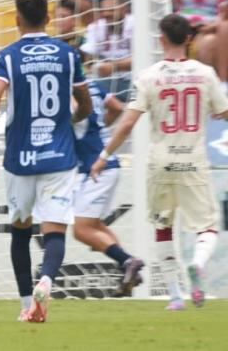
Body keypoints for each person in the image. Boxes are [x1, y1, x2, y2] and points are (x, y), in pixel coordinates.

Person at [91, 13, 228, 311]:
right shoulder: (205, 74)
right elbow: (225, 111)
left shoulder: (150, 75)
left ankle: (176, 296)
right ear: (189, 39)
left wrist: (104, 156)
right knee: (208, 226)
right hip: (193, 160)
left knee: (162, 228)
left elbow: (127, 123)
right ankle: (197, 262)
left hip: (160, 162)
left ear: (161, 39)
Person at [0, 0, 92, 323]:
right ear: (49, 17)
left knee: (20, 230)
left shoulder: (7, 56)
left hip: (19, 158)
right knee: (54, 230)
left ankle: (27, 303)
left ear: (17, 19)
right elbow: (85, 103)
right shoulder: (69, 55)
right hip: (59, 156)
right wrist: (67, 122)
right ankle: (47, 280)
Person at [71, 74, 146, 297]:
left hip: (97, 167)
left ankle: (128, 261)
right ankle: (127, 270)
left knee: (81, 229)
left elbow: (78, 112)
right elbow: (116, 107)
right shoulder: (92, 85)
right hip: (104, 162)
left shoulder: (66, 90)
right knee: (94, 225)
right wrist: (100, 127)